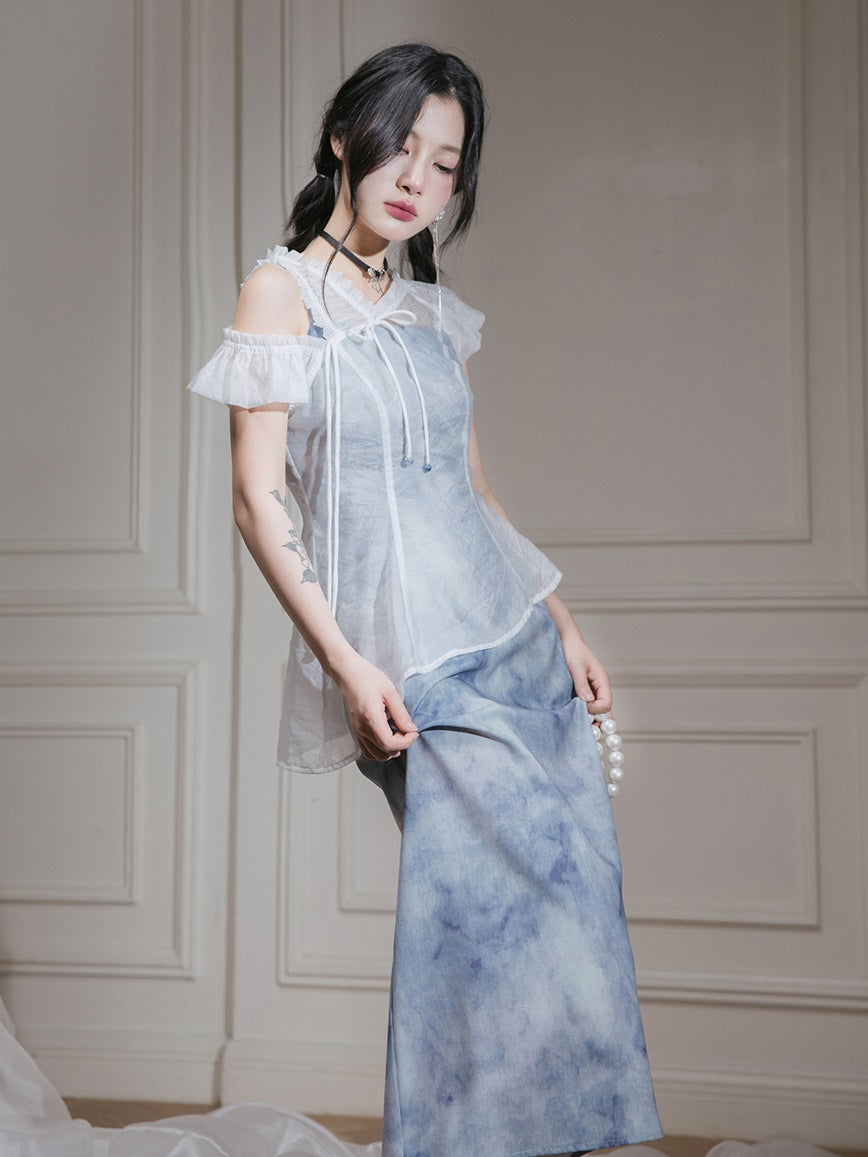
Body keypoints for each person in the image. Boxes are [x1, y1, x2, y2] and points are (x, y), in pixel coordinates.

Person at [187, 41, 663, 1157]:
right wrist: (349, 663)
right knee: (474, 926)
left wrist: (562, 622)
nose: (416, 177)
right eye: (400, 146)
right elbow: (257, 501)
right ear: (343, 137)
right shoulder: (280, 291)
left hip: (516, 639)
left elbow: (474, 493)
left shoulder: (427, 309)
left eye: (444, 162)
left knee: (568, 909)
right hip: (410, 658)